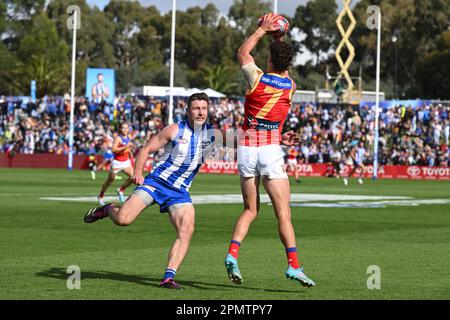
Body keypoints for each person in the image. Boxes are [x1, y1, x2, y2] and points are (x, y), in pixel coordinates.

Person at [84, 93, 216, 289]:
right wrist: (138, 172)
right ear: (188, 111)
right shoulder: (174, 129)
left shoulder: (212, 135)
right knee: (123, 219)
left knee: (187, 229)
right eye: (196, 108)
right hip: (156, 183)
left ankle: (168, 278)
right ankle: (107, 209)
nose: (200, 112)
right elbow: (146, 149)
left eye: (203, 108)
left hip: (179, 192)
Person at [224, 13, 315, 287]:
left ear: (270, 60)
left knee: (250, 210)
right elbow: (283, 69)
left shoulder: (256, 79)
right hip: (270, 150)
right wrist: (279, 37)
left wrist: (263, 31)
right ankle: (294, 266)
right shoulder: (291, 87)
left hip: (248, 149)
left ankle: (232, 253)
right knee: (283, 213)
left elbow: (242, 52)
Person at [97, 123, 134, 205]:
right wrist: (126, 146)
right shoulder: (118, 138)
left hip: (125, 162)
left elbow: (127, 148)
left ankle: (121, 190)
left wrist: (129, 151)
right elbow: (113, 149)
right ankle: (100, 196)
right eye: (123, 128)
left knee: (133, 177)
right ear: (120, 129)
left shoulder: (129, 137)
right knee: (110, 181)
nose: (125, 130)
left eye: (126, 128)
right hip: (117, 163)